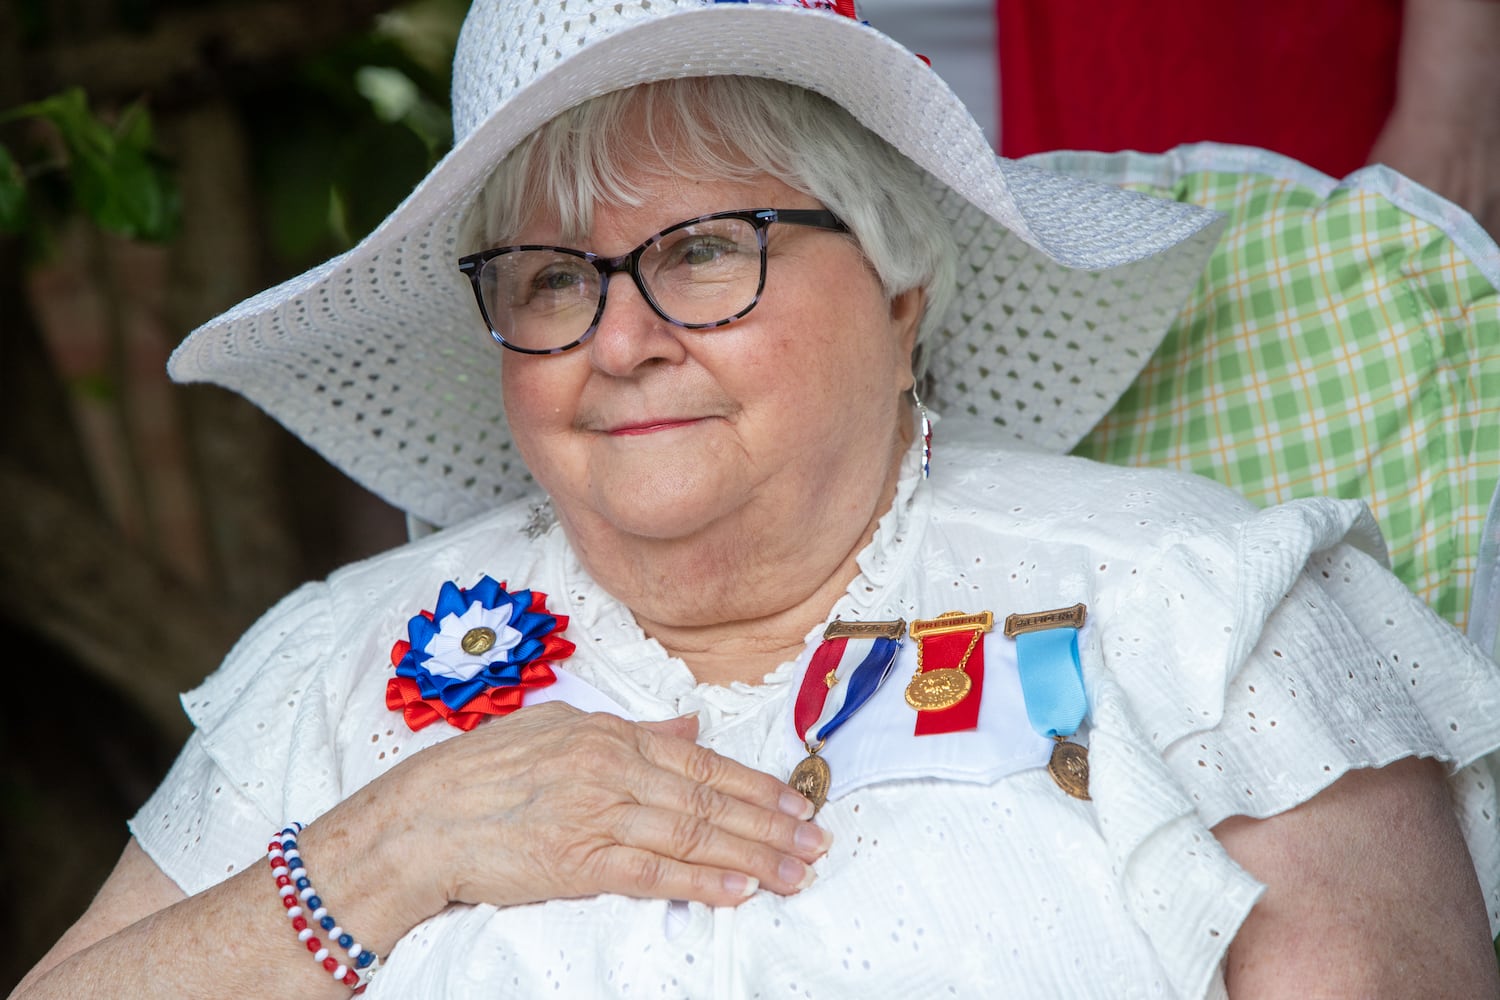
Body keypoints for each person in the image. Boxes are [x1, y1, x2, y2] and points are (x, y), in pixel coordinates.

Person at [15, 0, 1500, 996]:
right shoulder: (342, 664)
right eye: (548, 277)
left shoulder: (1203, 615)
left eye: (708, 250)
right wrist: (387, 851)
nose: (621, 335)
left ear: (904, 276)